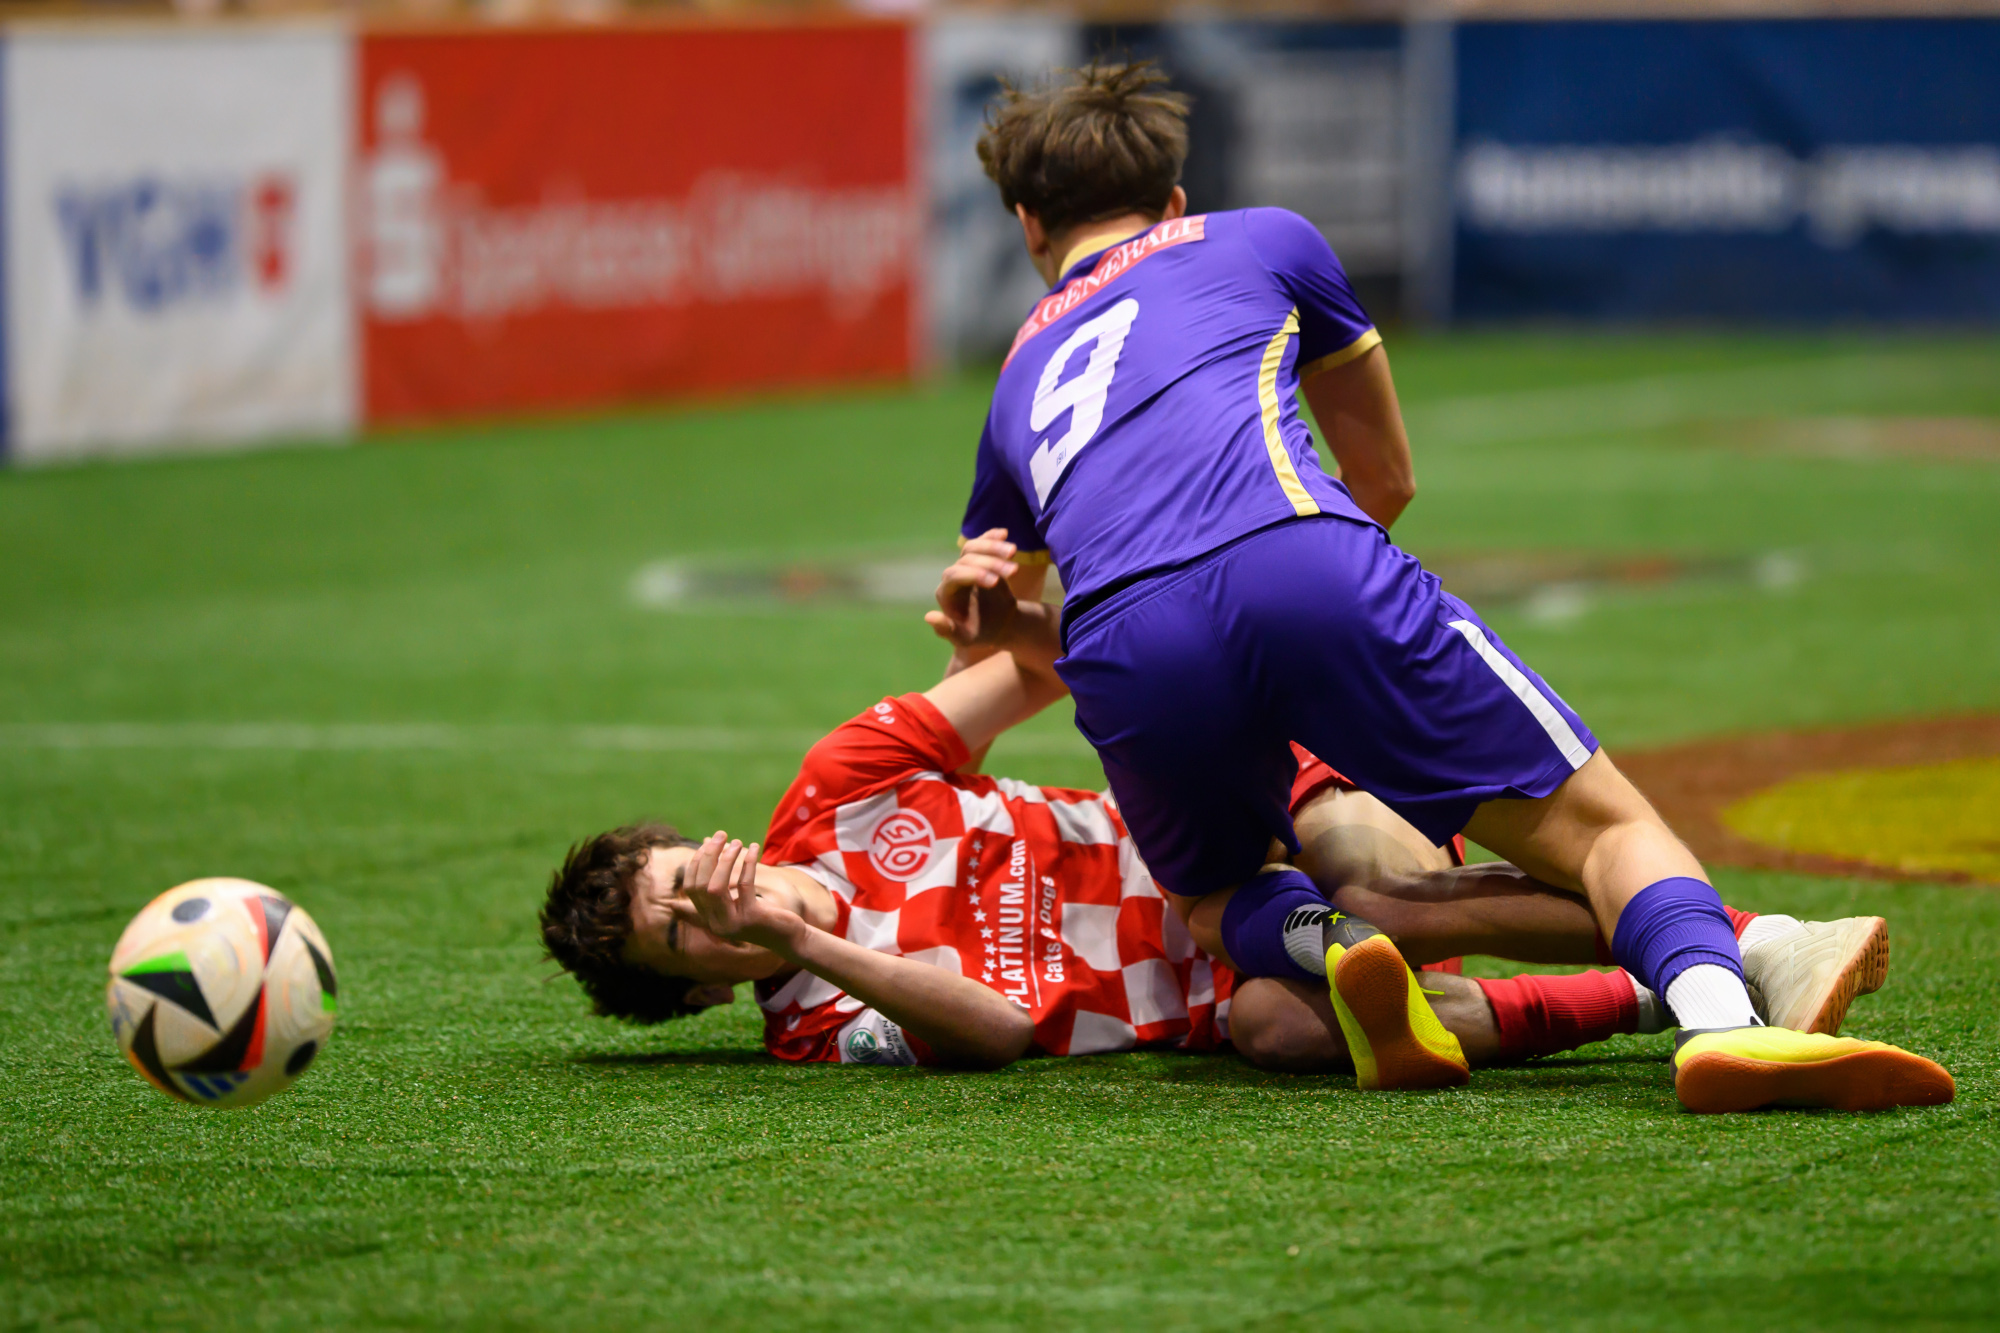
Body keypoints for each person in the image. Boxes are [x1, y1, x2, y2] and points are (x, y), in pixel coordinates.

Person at [928, 61, 1952, 1110]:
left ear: (1027, 225)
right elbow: (1383, 479)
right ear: (1174, 197)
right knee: (1603, 829)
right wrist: (1299, 638)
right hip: (1296, 560)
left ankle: (1332, 941)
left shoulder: (1013, 378)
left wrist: (1003, 626)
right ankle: (1723, 1025)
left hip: (1119, 642)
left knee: (1213, 900)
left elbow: (982, 654)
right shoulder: (1262, 238)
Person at [537, 610, 1899, 1084]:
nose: (707, 903)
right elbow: (999, 1031)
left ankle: (1731, 950)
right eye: (684, 936)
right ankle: (1676, 983)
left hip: (1213, 814)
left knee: (1368, 891)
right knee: (1284, 1026)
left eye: (678, 879)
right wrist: (805, 940)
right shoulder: (814, 1023)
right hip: (1211, 982)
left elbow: (1039, 669)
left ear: (692, 840)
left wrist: (1012, 622)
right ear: (701, 993)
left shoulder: (840, 784)